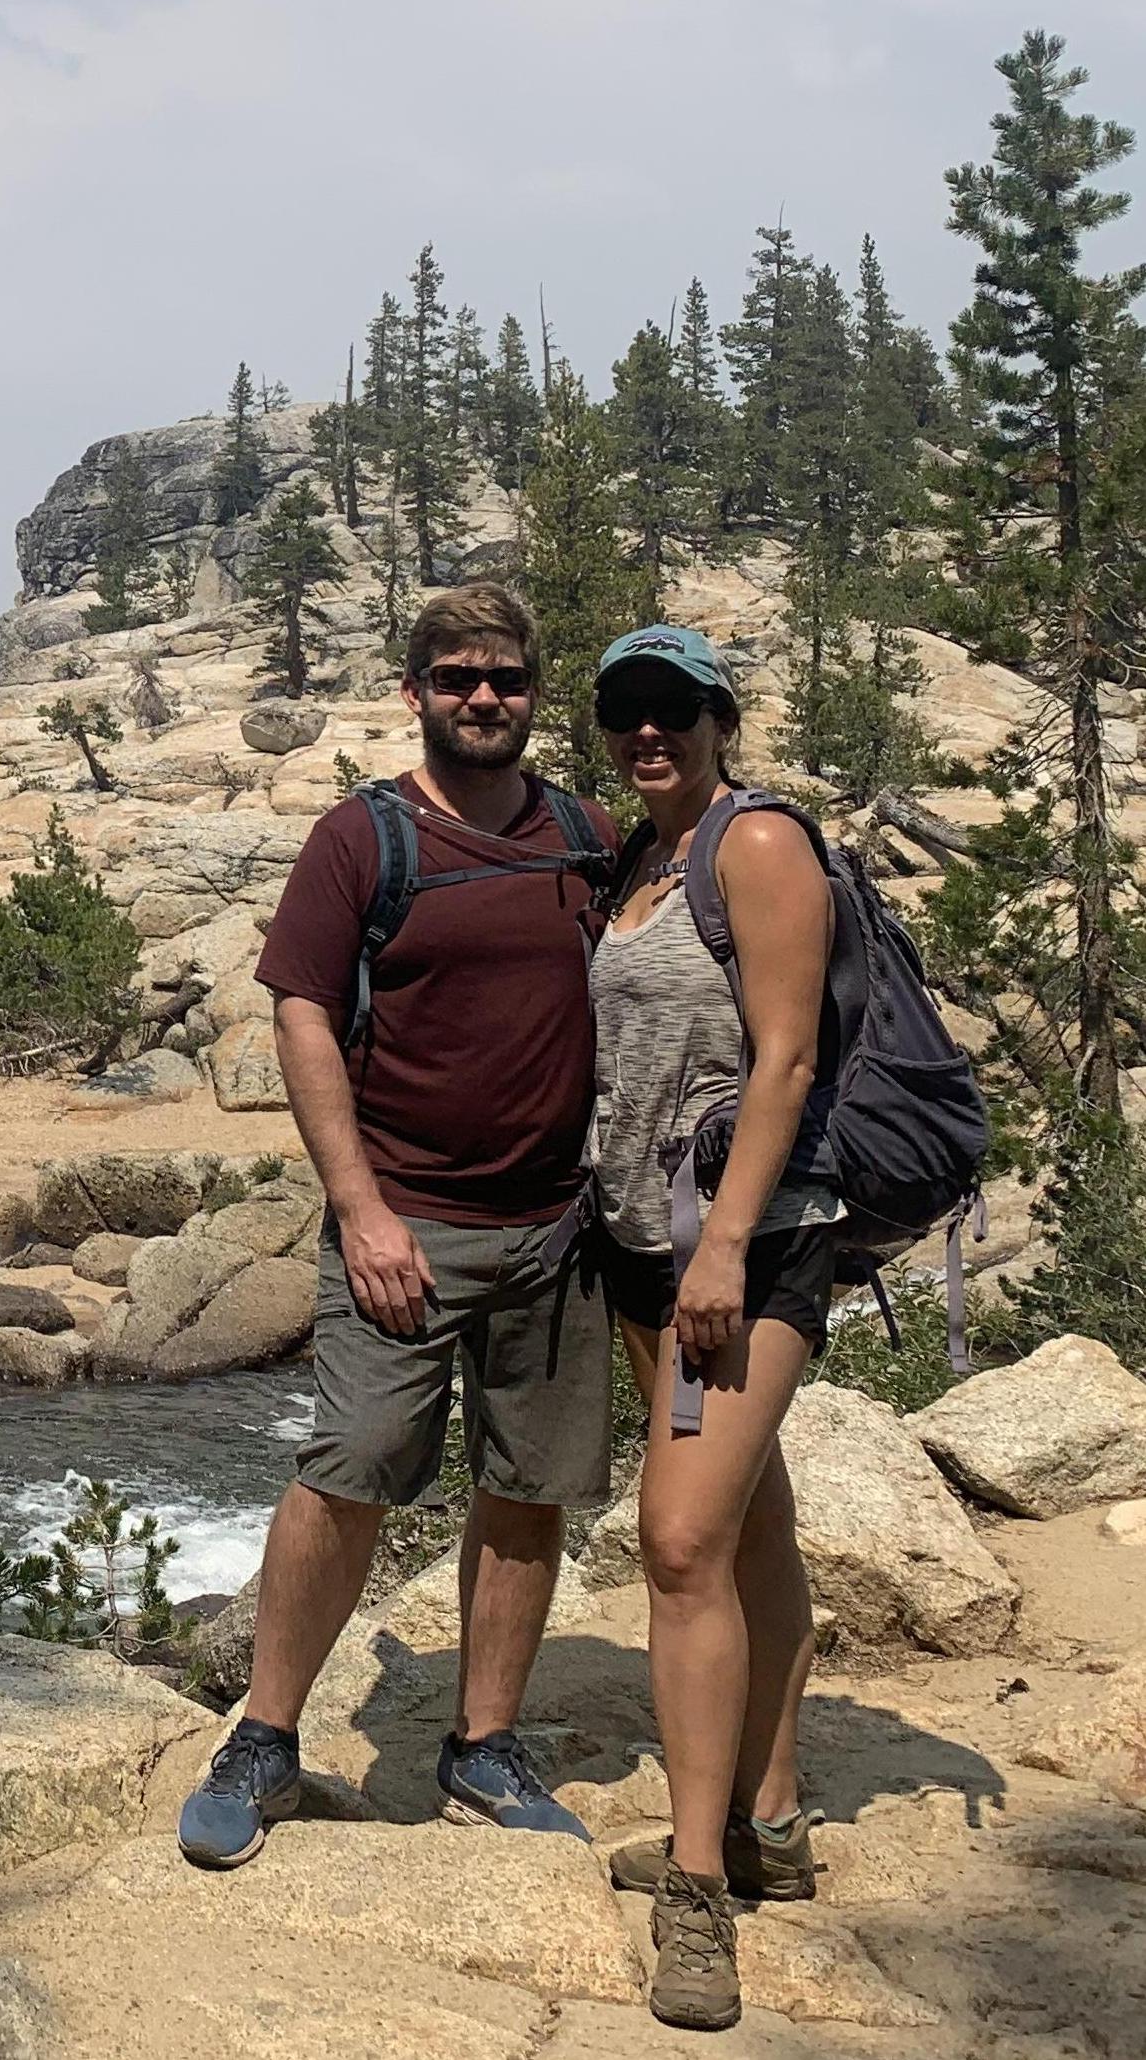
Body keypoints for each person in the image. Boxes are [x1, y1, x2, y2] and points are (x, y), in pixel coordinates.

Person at [179, 582, 614, 1871]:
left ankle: (483, 1745)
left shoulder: (586, 838)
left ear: (534, 694)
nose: (484, 697)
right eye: (457, 677)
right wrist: (360, 1210)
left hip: (556, 1228)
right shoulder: (362, 841)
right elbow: (302, 1013)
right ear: (415, 694)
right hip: (406, 1226)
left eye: (506, 678)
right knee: (350, 1468)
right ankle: (264, 1737)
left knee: (528, 1489)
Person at [582, 625, 840, 2032]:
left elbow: (787, 1053)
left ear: (719, 718)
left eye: (673, 709)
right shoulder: (633, 859)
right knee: (749, 1530)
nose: (648, 732)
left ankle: (698, 1890)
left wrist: (729, 1245)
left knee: (678, 1543)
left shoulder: (756, 846)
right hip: (640, 1246)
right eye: (625, 710)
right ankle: (770, 1820)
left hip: (743, 1247)